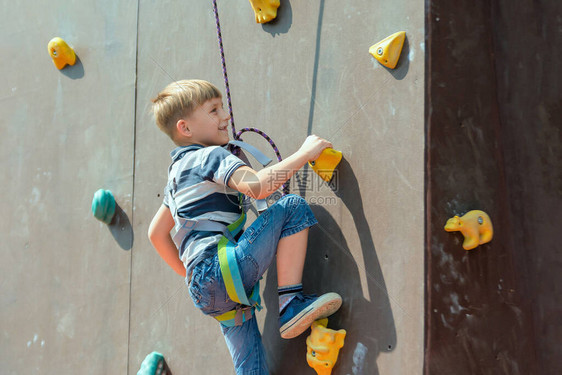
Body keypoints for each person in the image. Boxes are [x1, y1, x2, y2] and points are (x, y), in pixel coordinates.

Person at [148, 79, 342, 374]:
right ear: (185, 128)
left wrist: (191, 272)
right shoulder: (210, 156)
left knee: (250, 367)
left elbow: (156, 234)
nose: (225, 116)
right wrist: (304, 153)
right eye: (214, 110)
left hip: (203, 290)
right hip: (222, 270)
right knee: (292, 208)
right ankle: (290, 303)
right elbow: (259, 187)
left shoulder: (175, 177)